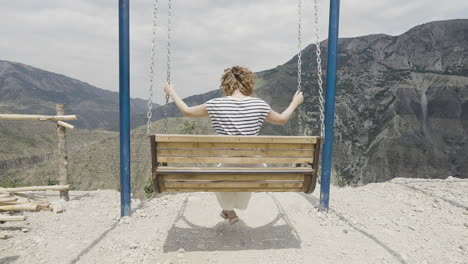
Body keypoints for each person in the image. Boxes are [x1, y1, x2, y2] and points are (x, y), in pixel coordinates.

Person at [163, 66, 304, 224]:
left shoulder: (215, 104)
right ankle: (230, 210)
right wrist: (294, 102)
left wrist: (171, 92)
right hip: (254, 166)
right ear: (248, 83)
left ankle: (228, 209)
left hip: (227, 163)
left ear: (225, 84)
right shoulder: (259, 105)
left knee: (223, 172)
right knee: (247, 171)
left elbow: (187, 111)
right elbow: (282, 119)